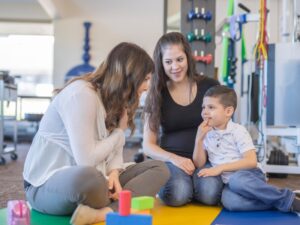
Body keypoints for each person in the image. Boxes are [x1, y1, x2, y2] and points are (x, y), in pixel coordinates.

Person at [23, 42, 170, 225]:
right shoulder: (82, 95)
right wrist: (118, 133)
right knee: (90, 178)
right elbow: (87, 159)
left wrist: (114, 173)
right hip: (45, 186)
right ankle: (118, 204)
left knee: (159, 168)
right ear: (129, 76)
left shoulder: (115, 98)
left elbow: (115, 151)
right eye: (146, 79)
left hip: (99, 178)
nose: (147, 86)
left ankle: (105, 212)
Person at [143, 32, 223, 207]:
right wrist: (174, 159)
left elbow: (225, 125)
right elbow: (147, 145)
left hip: (206, 159)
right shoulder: (156, 93)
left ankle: (194, 186)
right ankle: (188, 187)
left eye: (179, 59)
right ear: (161, 64)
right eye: (168, 62)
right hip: (171, 160)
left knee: (210, 194)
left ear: (188, 57)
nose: (175, 67)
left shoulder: (210, 86)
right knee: (178, 193)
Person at [193, 85, 300, 215]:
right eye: (203, 107)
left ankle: (288, 200)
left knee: (237, 180)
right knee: (231, 203)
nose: (205, 112)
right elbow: (199, 163)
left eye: (211, 107)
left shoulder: (238, 131)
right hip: (228, 183)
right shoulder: (206, 133)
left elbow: (251, 161)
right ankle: (279, 200)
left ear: (228, 111)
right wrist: (199, 139)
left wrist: (220, 168)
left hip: (248, 175)